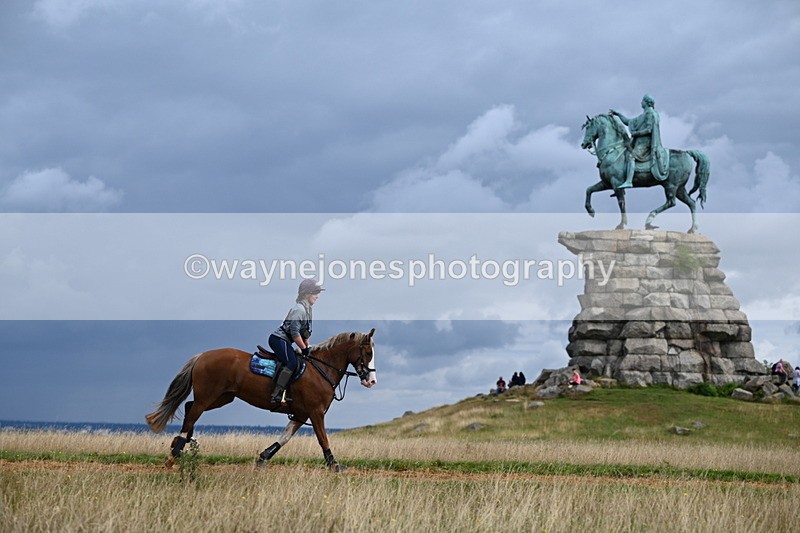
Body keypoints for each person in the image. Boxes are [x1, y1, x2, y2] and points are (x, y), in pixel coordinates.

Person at [267, 278, 324, 404]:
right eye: (315, 293)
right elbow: (294, 333)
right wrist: (303, 348)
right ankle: (277, 394)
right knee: (292, 363)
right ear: (307, 294)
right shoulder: (300, 310)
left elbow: (305, 333)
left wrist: (308, 348)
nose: (317, 296)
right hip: (279, 339)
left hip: (287, 340)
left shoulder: (308, 310)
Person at [609, 94, 669, 189]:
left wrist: (637, 133)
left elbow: (649, 129)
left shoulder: (650, 114)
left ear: (646, 102)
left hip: (646, 144)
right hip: (639, 143)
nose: (641, 102)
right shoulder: (643, 115)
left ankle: (629, 181)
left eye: (642, 101)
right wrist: (618, 114)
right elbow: (628, 121)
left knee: (631, 156)